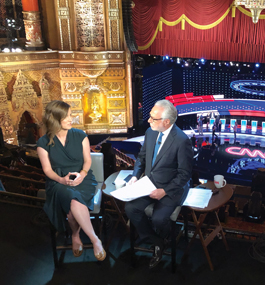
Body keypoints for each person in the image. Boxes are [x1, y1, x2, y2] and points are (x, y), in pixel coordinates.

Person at [125, 100, 193, 269]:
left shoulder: (182, 141)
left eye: (153, 118)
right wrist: (135, 176)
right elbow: (141, 158)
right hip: (148, 183)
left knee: (158, 218)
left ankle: (165, 237)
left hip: (171, 187)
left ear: (166, 122)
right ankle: (158, 242)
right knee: (130, 209)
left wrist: (164, 191)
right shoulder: (150, 132)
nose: (148, 121)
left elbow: (184, 174)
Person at [37, 100, 106, 261]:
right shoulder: (42, 142)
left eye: (70, 115)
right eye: (67, 116)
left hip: (83, 178)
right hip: (57, 182)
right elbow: (47, 170)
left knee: (73, 205)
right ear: (55, 119)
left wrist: (82, 174)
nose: (71, 119)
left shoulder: (80, 135)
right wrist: (61, 180)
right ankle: (94, 239)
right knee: (71, 200)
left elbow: (87, 161)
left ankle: (77, 235)